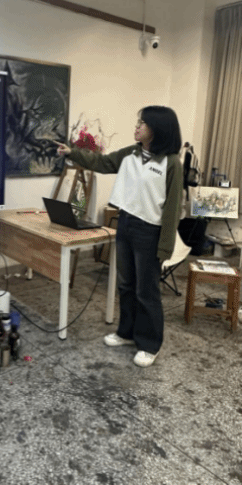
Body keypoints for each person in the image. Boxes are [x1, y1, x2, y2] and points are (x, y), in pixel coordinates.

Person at [55, 106, 183, 367]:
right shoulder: (130, 154)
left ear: (157, 130)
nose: (137, 127)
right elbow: (102, 163)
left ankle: (149, 344)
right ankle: (126, 333)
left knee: (146, 291)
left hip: (150, 231)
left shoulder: (171, 163)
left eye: (142, 123)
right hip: (125, 224)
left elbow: (172, 210)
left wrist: (165, 247)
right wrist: (72, 152)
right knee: (125, 285)